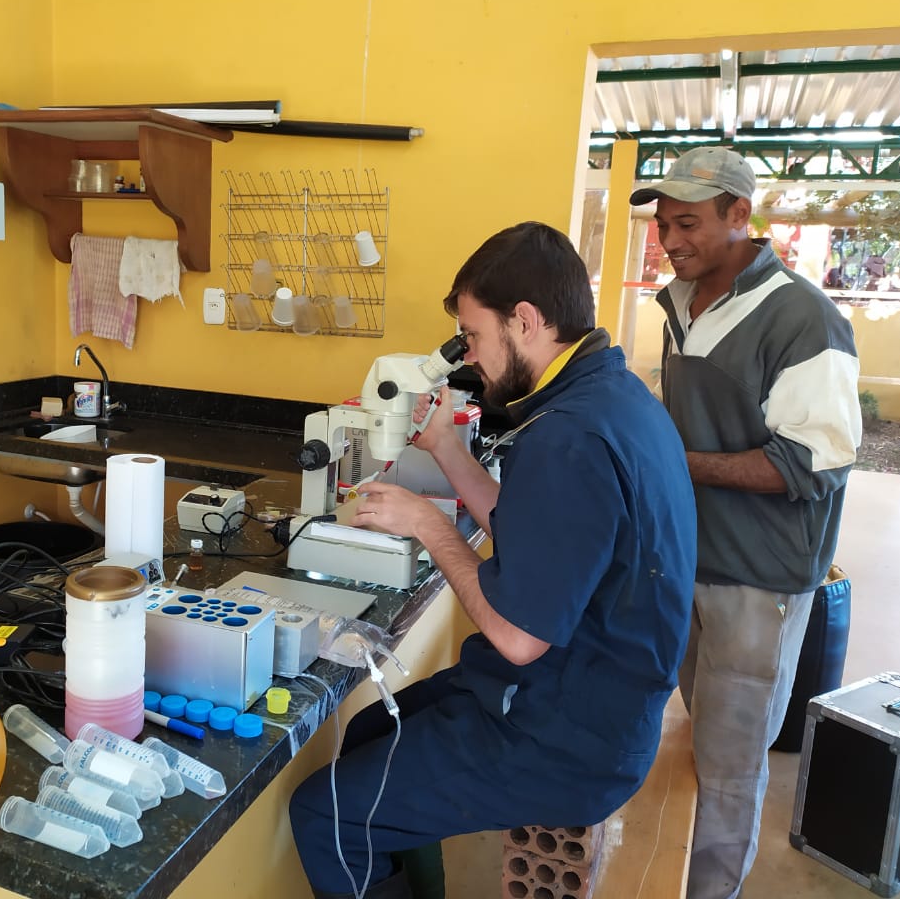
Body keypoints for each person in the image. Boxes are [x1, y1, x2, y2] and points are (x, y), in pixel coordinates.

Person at [288, 222, 697, 899]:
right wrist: (447, 450)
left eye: (473, 336)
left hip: (563, 737)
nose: (468, 356)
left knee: (325, 814)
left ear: (526, 321)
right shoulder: (609, 398)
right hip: (588, 701)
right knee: (367, 731)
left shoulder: (567, 437)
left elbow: (516, 637)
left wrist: (427, 525)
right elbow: (538, 530)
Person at [628, 147, 862, 899]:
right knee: (703, 728)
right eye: (663, 223)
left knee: (732, 761)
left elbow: (812, 463)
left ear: (739, 214)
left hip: (757, 577)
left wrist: (676, 463)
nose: (671, 240)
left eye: (688, 223)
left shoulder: (802, 318)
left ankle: (711, 890)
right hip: (689, 557)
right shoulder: (681, 302)